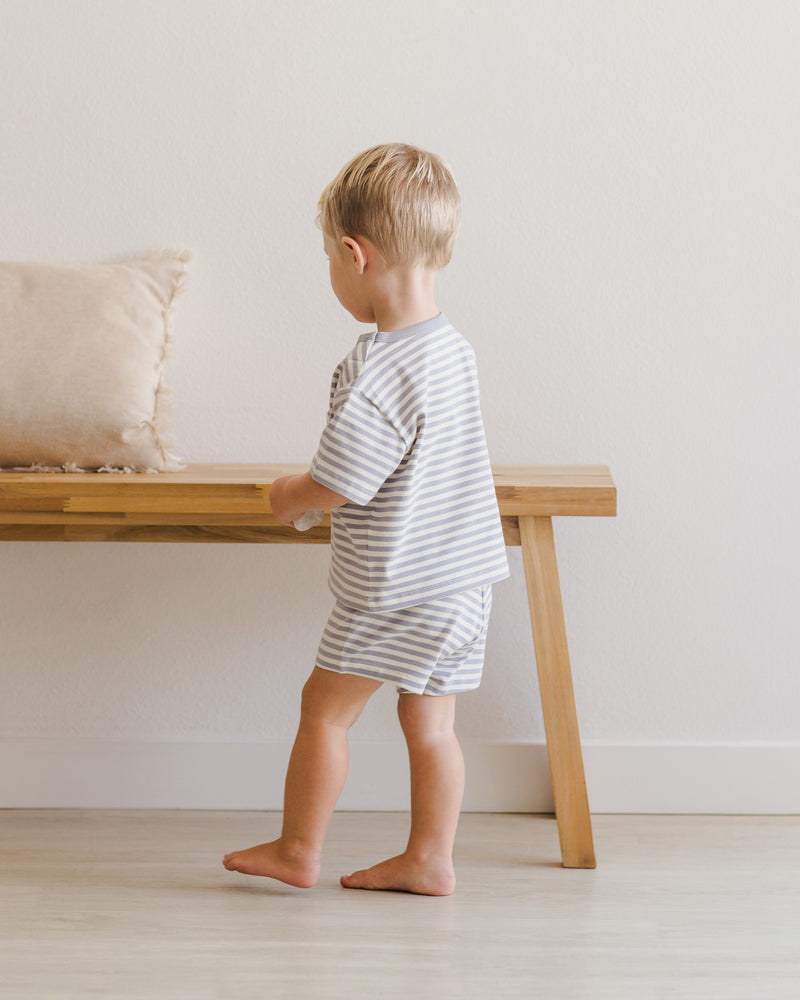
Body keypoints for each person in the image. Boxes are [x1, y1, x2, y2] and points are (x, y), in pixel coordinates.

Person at [223, 143, 509, 895]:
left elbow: (343, 481)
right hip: (464, 582)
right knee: (432, 726)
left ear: (355, 255)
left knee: (324, 710)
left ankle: (296, 848)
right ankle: (430, 858)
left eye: (327, 258)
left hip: (397, 588)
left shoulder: (381, 369)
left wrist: (289, 496)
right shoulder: (454, 352)